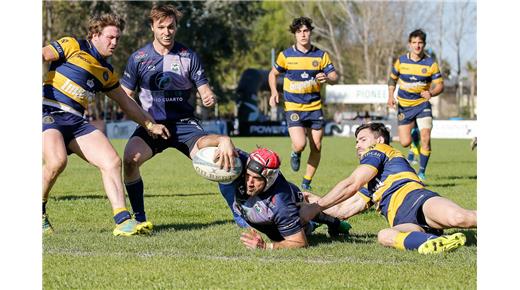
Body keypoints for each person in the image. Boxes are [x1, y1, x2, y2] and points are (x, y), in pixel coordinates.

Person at [120, 4, 246, 233]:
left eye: (171, 27)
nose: (166, 32)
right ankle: (139, 218)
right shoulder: (138, 59)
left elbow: (205, 90)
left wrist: (209, 97)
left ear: (176, 27)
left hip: (185, 125)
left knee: (219, 160)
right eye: (161, 27)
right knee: (130, 159)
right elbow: (124, 97)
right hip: (152, 125)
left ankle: (238, 212)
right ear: (152, 28)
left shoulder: (188, 56)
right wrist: (146, 123)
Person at [42, 13, 170, 236]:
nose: (115, 43)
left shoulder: (107, 72)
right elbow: (42, 54)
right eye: (110, 37)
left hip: (76, 121)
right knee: (57, 161)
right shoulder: (72, 45)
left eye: (118, 38)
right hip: (47, 112)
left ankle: (123, 221)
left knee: (111, 161)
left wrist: (150, 125)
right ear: (94, 34)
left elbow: (126, 103)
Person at [299, 123, 477, 254]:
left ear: (379, 140)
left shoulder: (380, 149)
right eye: (356, 141)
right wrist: (309, 199)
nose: (357, 145)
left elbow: (351, 183)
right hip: (404, 221)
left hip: (417, 200)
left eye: (362, 139)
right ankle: (437, 242)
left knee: (460, 218)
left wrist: (316, 206)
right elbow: (343, 210)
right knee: (384, 235)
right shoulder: (371, 185)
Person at [219, 147, 351, 250]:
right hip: (253, 209)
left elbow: (300, 242)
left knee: (305, 222)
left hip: (288, 209)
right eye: (248, 175)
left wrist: (266, 247)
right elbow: (219, 147)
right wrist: (223, 141)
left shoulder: (281, 204)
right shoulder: (247, 162)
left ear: (269, 179)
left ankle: (333, 223)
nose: (249, 182)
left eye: (257, 179)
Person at [268, 17, 339, 191]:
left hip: (314, 107)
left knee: (317, 146)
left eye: (306, 31)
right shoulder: (286, 55)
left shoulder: (321, 55)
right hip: (293, 106)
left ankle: (306, 182)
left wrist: (328, 78)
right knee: (300, 144)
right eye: (299, 31)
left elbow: (335, 77)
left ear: (310, 32)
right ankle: (296, 152)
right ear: (294, 34)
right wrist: (274, 92)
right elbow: (273, 74)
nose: (303, 34)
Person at [387, 29, 444, 181]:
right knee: (405, 143)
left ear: (424, 44)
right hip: (405, 106)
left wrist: (431, 93)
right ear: (409, 44)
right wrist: (390, 96)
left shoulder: (431, 64)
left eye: (420, 43)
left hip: (422, 105)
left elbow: (440, 85)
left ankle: (422, 173)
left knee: (426, 137)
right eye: (414, 43)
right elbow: (392, 80)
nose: (417, 46)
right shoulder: (401, 61)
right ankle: (414, 136)